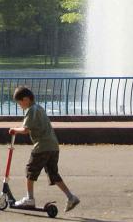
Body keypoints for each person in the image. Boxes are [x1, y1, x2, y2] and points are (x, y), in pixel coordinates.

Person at [8, 85, 80, 213]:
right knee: (53, 174)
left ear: (26, 99)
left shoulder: (31, 110)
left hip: (42, 146)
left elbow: (25, 130)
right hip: (53, 146)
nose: (20, 106)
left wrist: (14, 130)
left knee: (30, 170)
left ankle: (29, 199)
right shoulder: (39, 108)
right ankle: (71, 197)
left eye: (20, 103)